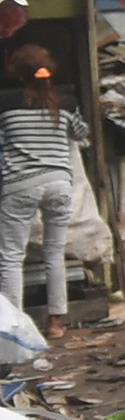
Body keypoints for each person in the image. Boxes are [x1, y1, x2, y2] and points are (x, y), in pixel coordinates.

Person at [0, 44, 86, 329]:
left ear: (16, 72)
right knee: (54, 252)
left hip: (20, 184)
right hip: (59, 183)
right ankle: (56, 322)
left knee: (11, 257)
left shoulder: (5, 103)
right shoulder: (65, 102)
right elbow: (81, 134)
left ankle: (15, 326)